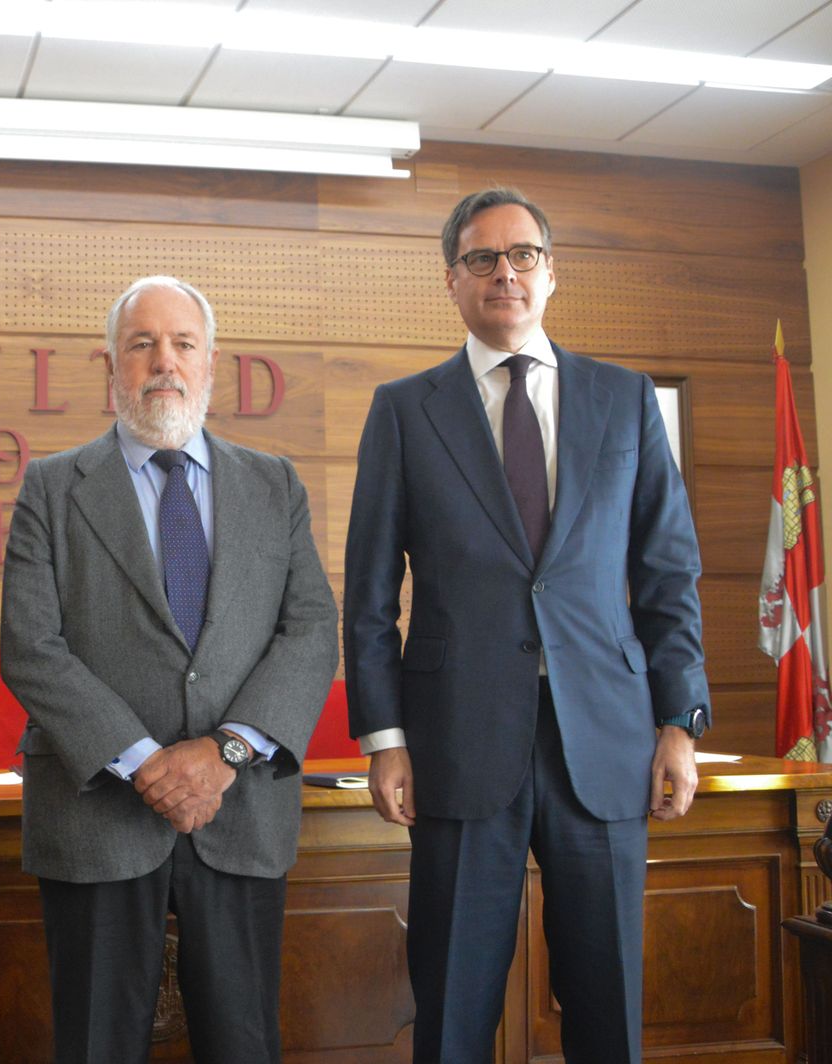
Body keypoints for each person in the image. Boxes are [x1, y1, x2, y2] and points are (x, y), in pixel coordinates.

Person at [343, 188, 710, 1063]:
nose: (503, 273)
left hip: (609, 740)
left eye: (522, 255)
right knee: (455, 1005)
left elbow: (667, 574)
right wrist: (385, 738)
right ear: (451, 281)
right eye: (481, 259)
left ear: (551, 273)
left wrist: (678, 722)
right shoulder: (405, 409)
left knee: (606, 1003)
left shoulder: (623, 402)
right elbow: (366, 594)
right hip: (457, 743)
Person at [0, 275, 338, 1063]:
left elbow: (312, 627)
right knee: (96, 1045)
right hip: (97, 814)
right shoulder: (53, 488)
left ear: (211, 362)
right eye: (142, 343)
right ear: (111, 367)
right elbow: (31, 644)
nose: (165, 362)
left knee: (244, 1043)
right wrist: (147, 761)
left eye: (183, 343)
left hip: (242, 811)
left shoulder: (274, 483)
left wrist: (223, 753)